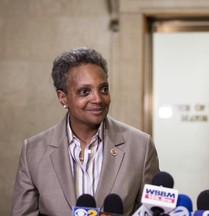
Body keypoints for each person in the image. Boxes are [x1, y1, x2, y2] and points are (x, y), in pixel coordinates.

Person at [11, 47, 160, 215]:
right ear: (62, 97)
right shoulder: (33, 150)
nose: (98, 99)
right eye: (84, 91)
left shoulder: (141, 146)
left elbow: (153, 211)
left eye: (103, 89)